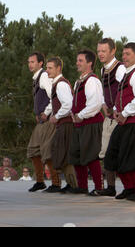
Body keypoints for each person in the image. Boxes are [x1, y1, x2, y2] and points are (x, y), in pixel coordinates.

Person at [105, 43, 135, 202]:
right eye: (123, 54)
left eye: (128, 54)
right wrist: (116, 110)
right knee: (113, 156)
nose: (124, 57)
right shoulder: (127, 74)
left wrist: (125, 113)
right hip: (124, 121)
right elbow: (121, 96)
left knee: (132, 158)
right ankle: (129, 188)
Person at [94, 38, 127, 197]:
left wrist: (116, 109)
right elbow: (102, 93)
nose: (100, 54)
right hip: (109, 117)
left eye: (104, 51)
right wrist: (104, 106)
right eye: (99, 51)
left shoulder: (120, 68)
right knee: (106, 153)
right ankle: (111, 187)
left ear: (113, 51)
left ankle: (130, 187)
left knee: (120, 153)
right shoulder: (103, 70)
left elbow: (125, 91)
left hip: (120, 117)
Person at [69, 50, 104, 195]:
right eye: (77, 60)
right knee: (76, 155)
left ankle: (98, 187)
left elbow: (95, 104)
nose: (77, 63)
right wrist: (73, 114)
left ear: (89, 63)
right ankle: (82, 186)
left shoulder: (92, 81)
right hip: (79, 124)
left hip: (91, 123)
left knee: (91, 155)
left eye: (81, 60)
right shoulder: (79, 81)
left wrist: (81, 115)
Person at [26, 52, 60, 192]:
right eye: (29, 62)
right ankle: (40, 181)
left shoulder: (44, 76)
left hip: (48, 120)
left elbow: (53, 95)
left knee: (47, 151)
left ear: (40, 63)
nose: (30, 64)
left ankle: (56, 182)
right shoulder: (37, 78)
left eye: (33, 62)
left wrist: (46, 112)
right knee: (33, 150)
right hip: (40, 121)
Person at [46, 57, 79, 193]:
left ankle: (74, 184)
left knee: (65, 154)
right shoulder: (57, 84)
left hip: (66, 124)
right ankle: (71, 183)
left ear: (58, 68)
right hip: (63, 124)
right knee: (61, 153)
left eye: (50, 68)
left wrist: (56, 116)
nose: (47, 71)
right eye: (47, 68)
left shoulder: (61, 84)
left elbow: (68, 104)